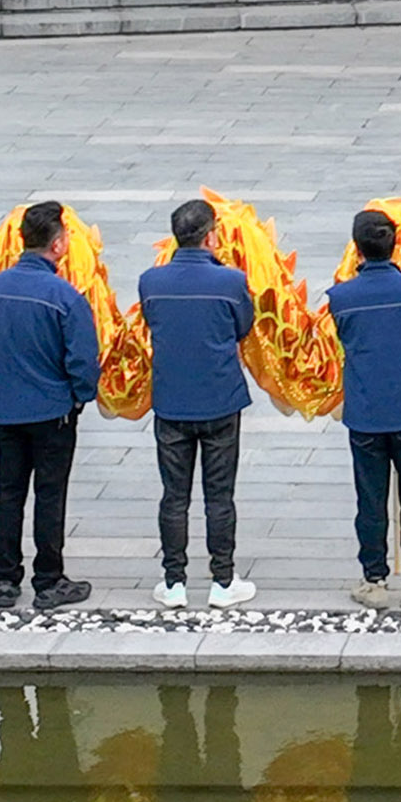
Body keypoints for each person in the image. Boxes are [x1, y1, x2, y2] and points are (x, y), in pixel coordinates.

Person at [316, 208, 401, 610]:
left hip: (365, 410)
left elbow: (342, 336)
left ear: (356, 247)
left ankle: (373, 579)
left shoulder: (340, 297)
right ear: (395, 244)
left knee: (370, 497)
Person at [0, 200, 99, 611]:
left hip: (7, 410)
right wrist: (80, 396)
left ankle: (5, 581)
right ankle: (48, 581)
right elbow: (83, 360)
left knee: (8, 494)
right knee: (50, 495)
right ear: (59, 245)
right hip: (52, 412)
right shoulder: (65, 296)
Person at [140, 201, 258, 609]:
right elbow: (243, 325)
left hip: (172, 401)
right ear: (211, 236)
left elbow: (152, 322)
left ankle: (173, 582)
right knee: (219, 495)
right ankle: (222, 581)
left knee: (174, 496)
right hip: (220, 399)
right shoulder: (231, 280)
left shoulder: (151, 281)